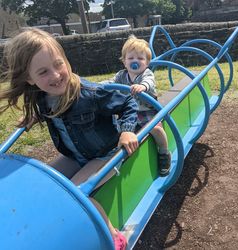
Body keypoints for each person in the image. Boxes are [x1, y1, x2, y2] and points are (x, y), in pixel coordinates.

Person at [0, 28, 139, 250]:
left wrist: (127, 130)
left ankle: (115, 238)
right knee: (44, 185)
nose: (55, 75)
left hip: (105, 153)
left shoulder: (90, 93)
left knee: (74, 193)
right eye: (43, 72)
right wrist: (34, 117)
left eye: (58, 64)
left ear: (65, 59)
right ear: (30, 78)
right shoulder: (42, 98)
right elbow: (47, 110)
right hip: (75, 155)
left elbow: (128, 103)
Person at [110, 35, 171, 176]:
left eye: (140, 58)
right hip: (129, 112)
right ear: (124, 61)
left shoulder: (146, 74)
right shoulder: (121, 75)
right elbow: (111, 81)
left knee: (156, 129)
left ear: (147, 62)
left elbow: (149, 82)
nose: (135, 61)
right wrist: (99, 85)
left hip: (147, 111)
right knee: (116, 130)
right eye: (131, 58)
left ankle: (164, 152)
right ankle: (116, 159)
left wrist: (142, 86)